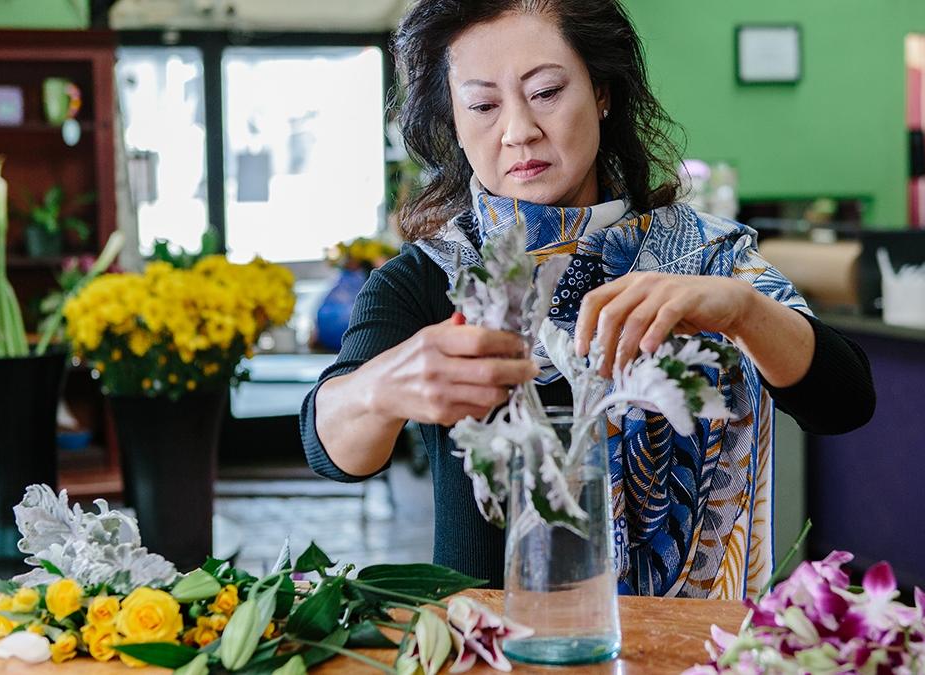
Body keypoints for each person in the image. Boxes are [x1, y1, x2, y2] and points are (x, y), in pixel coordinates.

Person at [301, 0, 875, 599]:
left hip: (685, 649)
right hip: (490, 649)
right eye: (483, 105)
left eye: (546, 92)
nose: (518, 130)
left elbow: (846, 401)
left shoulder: (704, 258)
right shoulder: (430, 278)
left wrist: (743, 310)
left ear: (602, 92)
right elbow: (335, 454)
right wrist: (380, 388)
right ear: (454, 119)